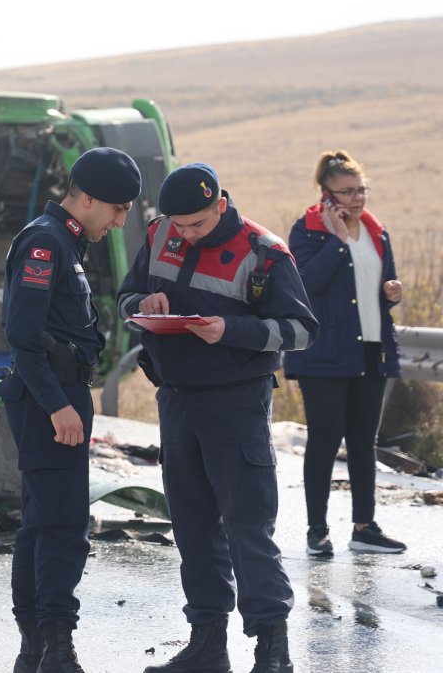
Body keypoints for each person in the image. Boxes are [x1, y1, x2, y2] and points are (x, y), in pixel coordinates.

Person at [117, 163, 317, 673]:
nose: (184, 235)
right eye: (178, 226)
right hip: (177, 400)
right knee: (193, 527)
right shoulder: (162, 231)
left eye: (197, 226)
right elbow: (124, 298)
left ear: (220, 206)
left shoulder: (265, 252)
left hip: (236, 404)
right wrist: (144, 302)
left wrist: (231, 329)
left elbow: (301, 331)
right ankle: (207, 646)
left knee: (248, 527)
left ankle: (273, 651)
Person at [0, 147, 141, 673]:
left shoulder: (65, 242)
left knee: (42, 524)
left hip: (56, 396)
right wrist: (59, 407)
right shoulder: (45, 242)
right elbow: (23, 339)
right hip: (47, 398)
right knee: (62, 527)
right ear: (88, 198)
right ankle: (57, 649)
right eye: (119, 209)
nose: (122, 220)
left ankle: (36, 648)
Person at [283, 150, 406, 556]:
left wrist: (390, 293)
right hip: (324, 355)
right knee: (323, 442)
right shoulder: (307, 231)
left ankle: (364, 527)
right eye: (347, 191)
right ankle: (316, 530)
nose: (357, 199)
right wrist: (338, 243)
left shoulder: (375, 230)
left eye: (361, 189)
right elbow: (306, 286)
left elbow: (373, 287)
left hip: (370, 350)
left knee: (362, 442)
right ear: (326, 193)